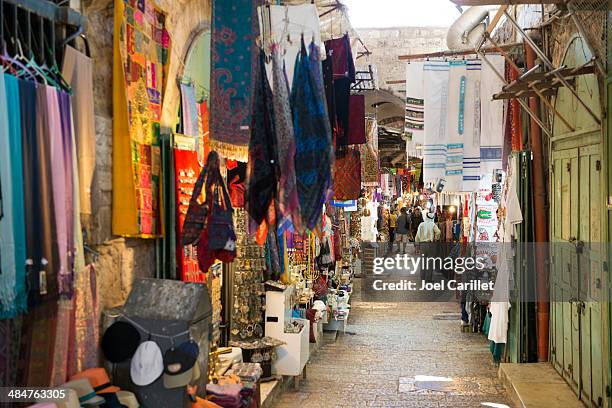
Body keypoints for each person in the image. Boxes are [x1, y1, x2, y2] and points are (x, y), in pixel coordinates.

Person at [415, 210, 441, 282]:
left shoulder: (421, 224)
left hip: (422, 245)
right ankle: (428, 278)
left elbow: (417, 236)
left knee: (423, 261)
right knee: (430, 262)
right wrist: (436, 239)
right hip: (430, 245)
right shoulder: (433, 225)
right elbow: (438, 232)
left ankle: (422, 277)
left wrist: (417, 246)